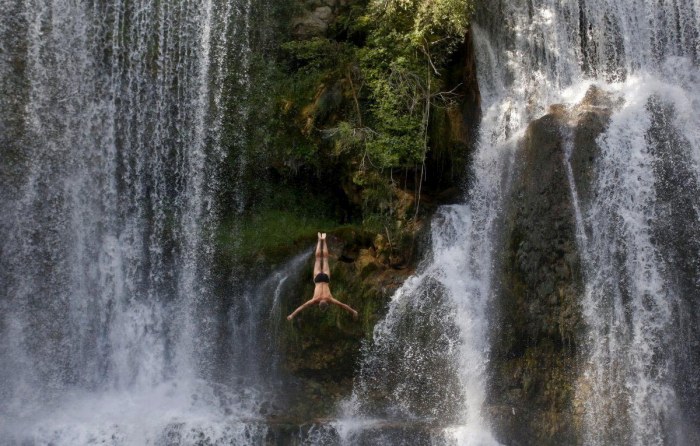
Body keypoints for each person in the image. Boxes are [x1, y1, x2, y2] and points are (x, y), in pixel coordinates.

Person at [287, 232, 358, 320]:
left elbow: (343, 305)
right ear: (319, 304)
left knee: (324, 258)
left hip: (325, 278)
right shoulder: (315, 300)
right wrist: (292, 315)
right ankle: (319, 240)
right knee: (318, 258)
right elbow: (303, 306)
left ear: (326, 304)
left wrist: (353, 311)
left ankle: (323, 240)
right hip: (317, 279)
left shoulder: (329, 299)